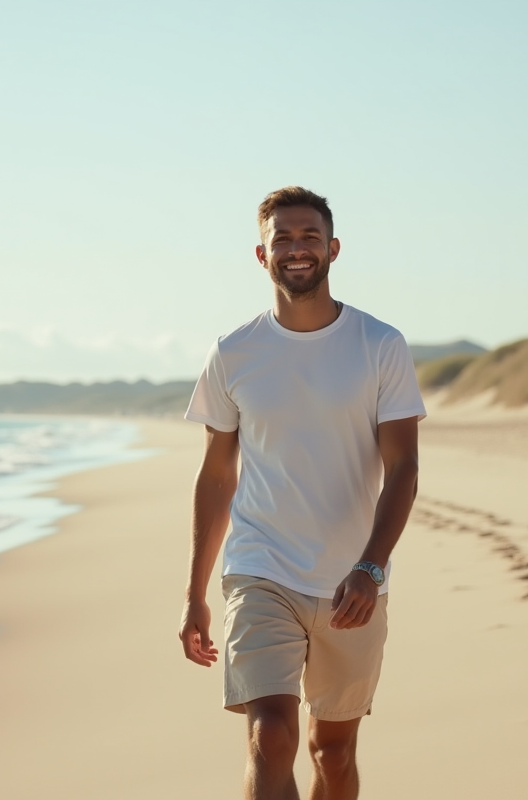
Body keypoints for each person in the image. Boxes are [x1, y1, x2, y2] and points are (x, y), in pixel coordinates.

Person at [178, 186, 426, 800]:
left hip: (353, 582)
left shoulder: (379, 346)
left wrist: (371, 567)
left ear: (333, 249)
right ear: (260, 256)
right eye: (281, 239)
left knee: (332, 753)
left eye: (309, 237)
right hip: (259, 569)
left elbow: (403, 467)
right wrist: (195, 593)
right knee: (272, 734)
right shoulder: (233, 353)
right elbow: (215, 476)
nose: (296, 249)